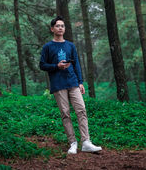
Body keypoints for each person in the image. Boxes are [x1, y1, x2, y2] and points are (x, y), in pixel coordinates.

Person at [40, 16, 102, 154]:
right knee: (65, 114)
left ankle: (86, 142)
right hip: (58, 84)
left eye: (62, 26)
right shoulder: (47, 47)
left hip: (73, 82)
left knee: (81, 110)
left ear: (65, 29)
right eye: (57, 26)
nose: (60, 28)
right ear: (52, 29)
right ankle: (72, 143)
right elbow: (42, 65)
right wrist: (56, 66)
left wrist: (80, 82)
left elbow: (76, 64)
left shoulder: (70, 45)